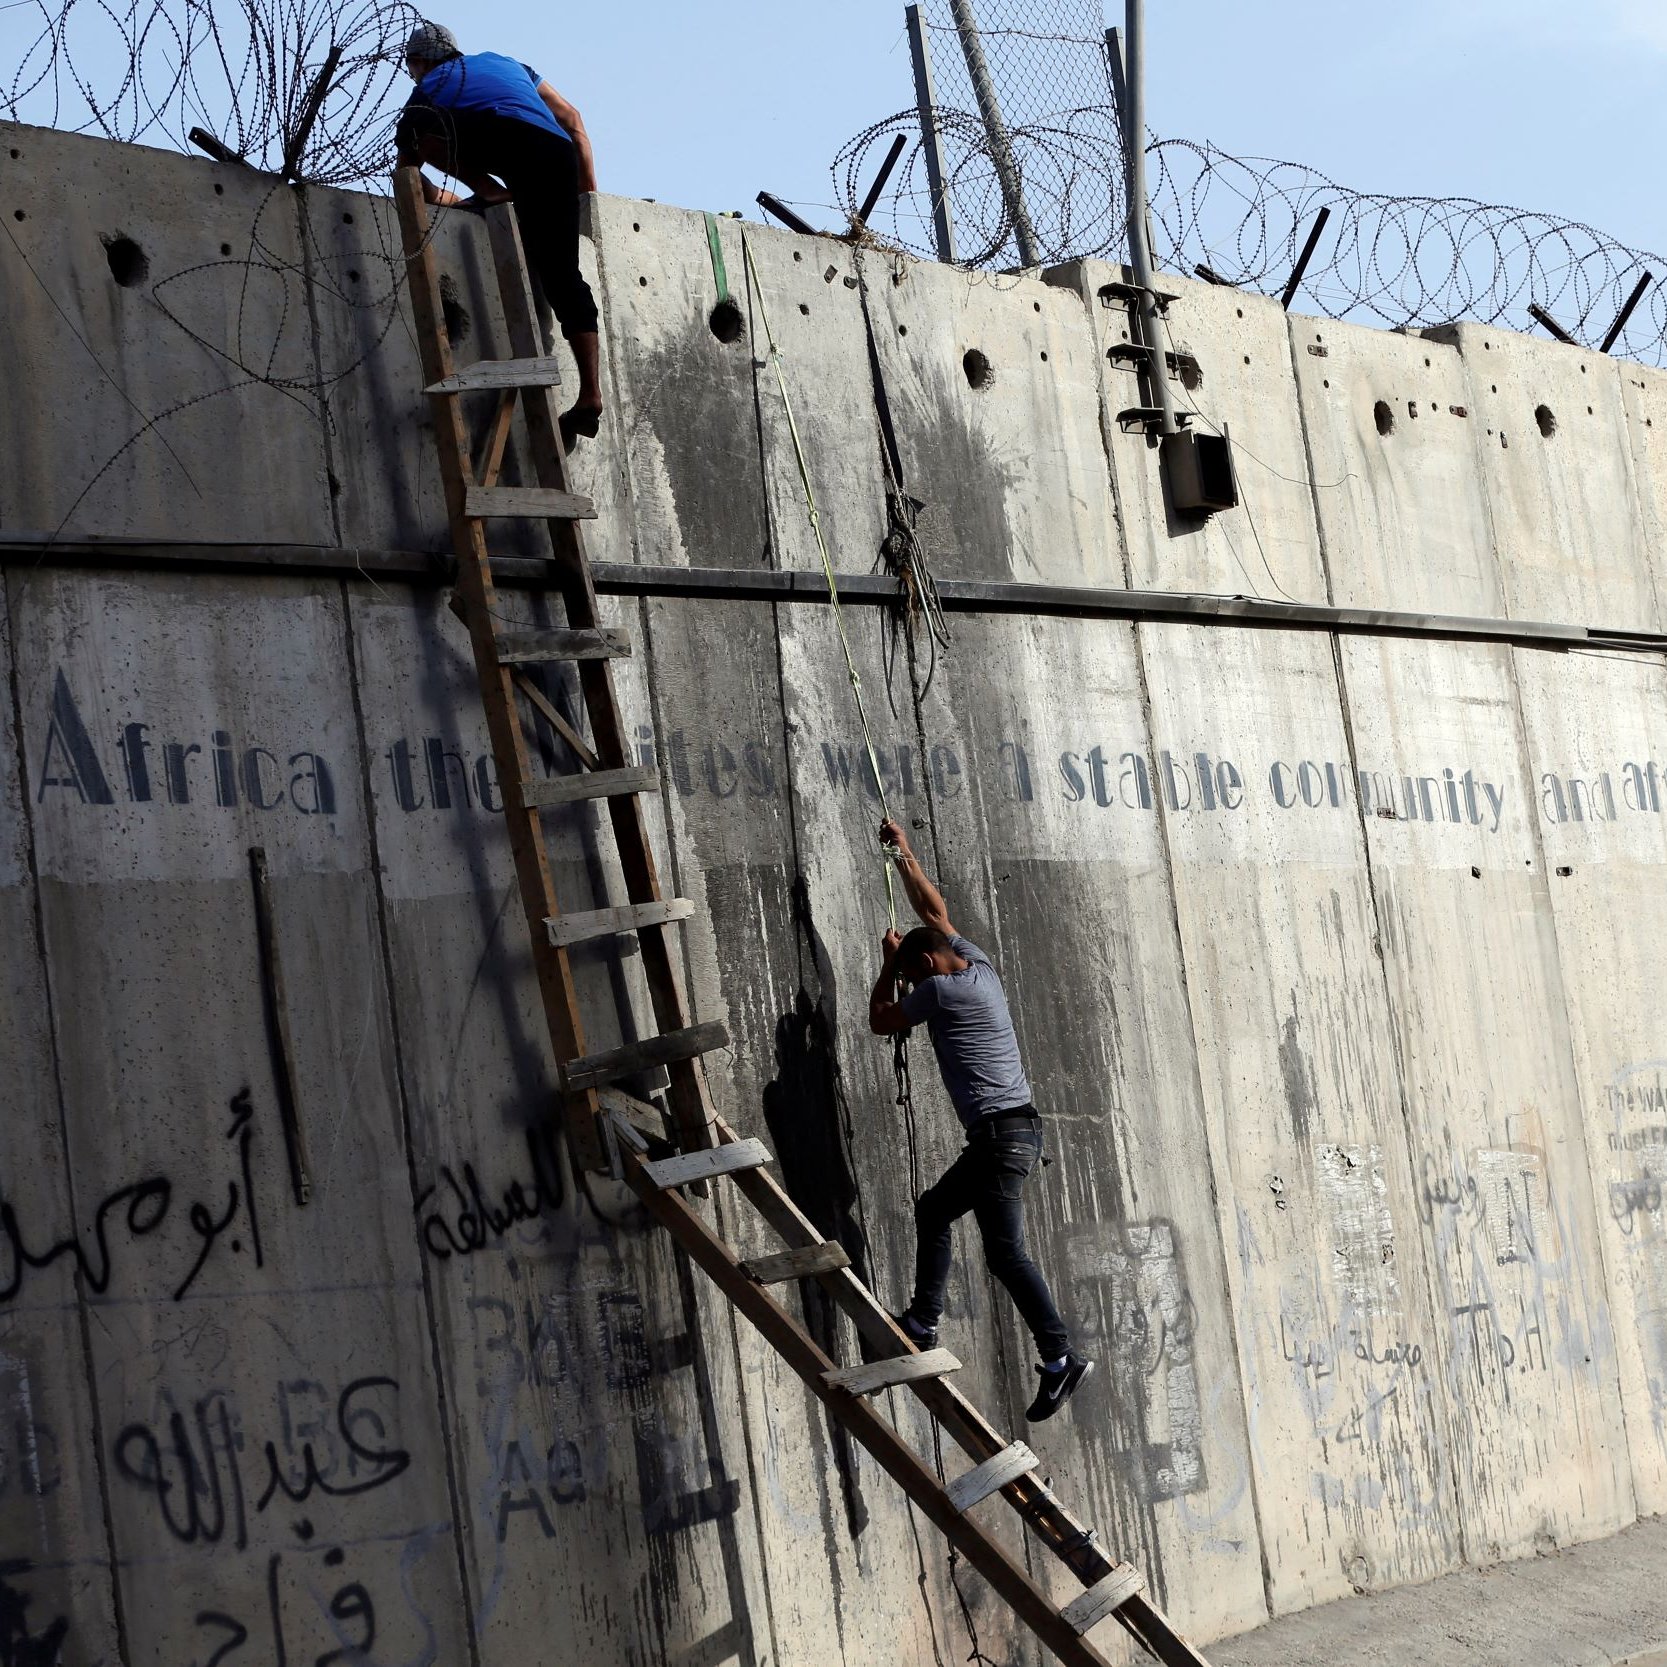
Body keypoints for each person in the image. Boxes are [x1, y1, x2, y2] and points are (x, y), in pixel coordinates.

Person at [867, 818, 1092, 1423]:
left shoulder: (940, 991)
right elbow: (935, 913)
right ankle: (942, 1324)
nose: (916, 982)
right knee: (962, 1227)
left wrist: (890, 968)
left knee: (988, 1243)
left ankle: (1050, 1353)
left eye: (918, 973)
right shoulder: (978, 967)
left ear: (927, 969)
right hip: (1017, 1133)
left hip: (998, 1139)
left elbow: (881, 1020)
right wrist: (905, 854)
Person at [393, 22, 604, 447]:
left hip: (506, 146)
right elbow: (574, 121)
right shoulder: (508, 65)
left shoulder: (427, 89)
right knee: (563, 277)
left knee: (413, 130)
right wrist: (586, 198)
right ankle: (590, 395)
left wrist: (458, 197)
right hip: (555, 154)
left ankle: (488, 189)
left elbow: (410, 176)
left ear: (418, 63)